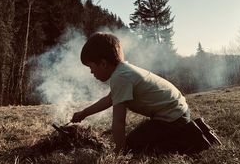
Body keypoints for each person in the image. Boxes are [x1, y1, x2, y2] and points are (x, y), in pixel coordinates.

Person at [71, 32, 221, 154]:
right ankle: (193, 130)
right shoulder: (122, 72)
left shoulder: (120, 77)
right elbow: (109, 100)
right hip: (177, 112)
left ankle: (194, 139)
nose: (91, 72)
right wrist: (84, 113)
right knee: (138, 139)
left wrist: (120, 151)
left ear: (103, 63)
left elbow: (119, 121)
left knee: (135, 147)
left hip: (172, 118)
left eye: (91, 67)